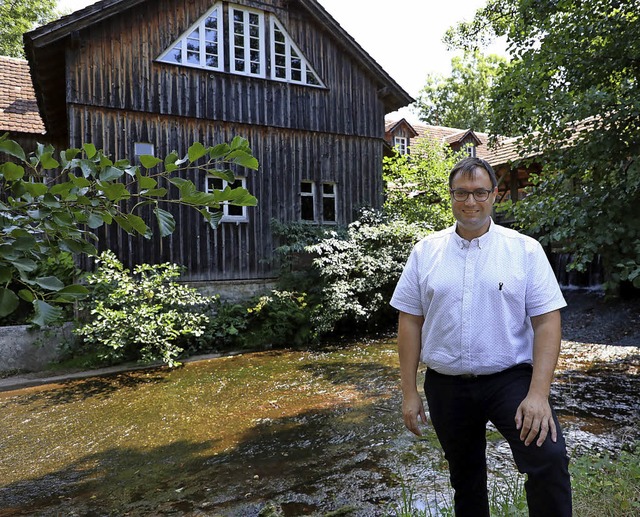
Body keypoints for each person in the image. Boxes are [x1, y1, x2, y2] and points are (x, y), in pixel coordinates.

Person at [390, 157, 572, 516]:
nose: (470, 202)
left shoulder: (524, 250)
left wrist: (539, 394)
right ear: (451, 195)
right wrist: (409, 392)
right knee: (466, 477)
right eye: (461, 193)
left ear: (494, 196)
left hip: (510, 380)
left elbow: (547, 322)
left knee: (548, 459)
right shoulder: (426, 251)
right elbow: (410, 321)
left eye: (479, 193)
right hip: (446, 384)